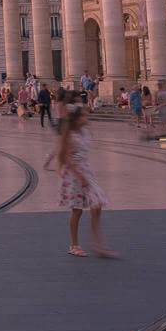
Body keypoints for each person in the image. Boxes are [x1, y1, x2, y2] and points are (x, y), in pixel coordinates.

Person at [50, 105, 113, 258]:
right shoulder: (69, 135)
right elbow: (66, 158)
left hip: (86, 171)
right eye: (84, 116)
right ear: (77, 119)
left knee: (97, 204)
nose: (87, 118)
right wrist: (79, 176)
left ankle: (97, 244)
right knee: (77, 210)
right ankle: (74, 245)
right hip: (74, 175)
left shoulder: (84, 132)